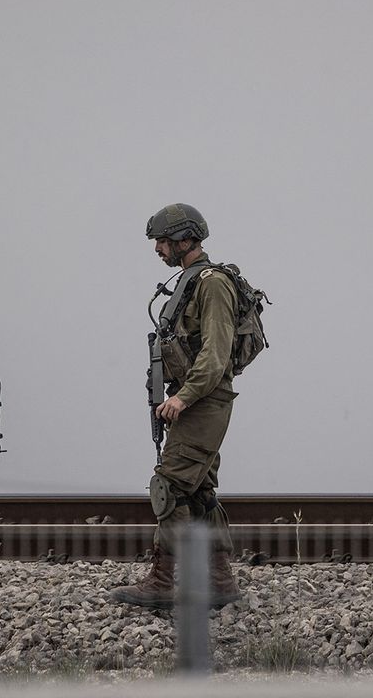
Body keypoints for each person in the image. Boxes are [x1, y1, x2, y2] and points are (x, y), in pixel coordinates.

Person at [111, 203, 242, 610]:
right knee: (199, 490)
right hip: (194, 400)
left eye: (163, 241)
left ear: (185, 239)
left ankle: (163, 582)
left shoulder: (211, 282)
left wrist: (184, 396)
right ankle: (220, 580)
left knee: (168, 486)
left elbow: (215, 354)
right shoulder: (189, 282)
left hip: (203, 399)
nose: (157, 249)